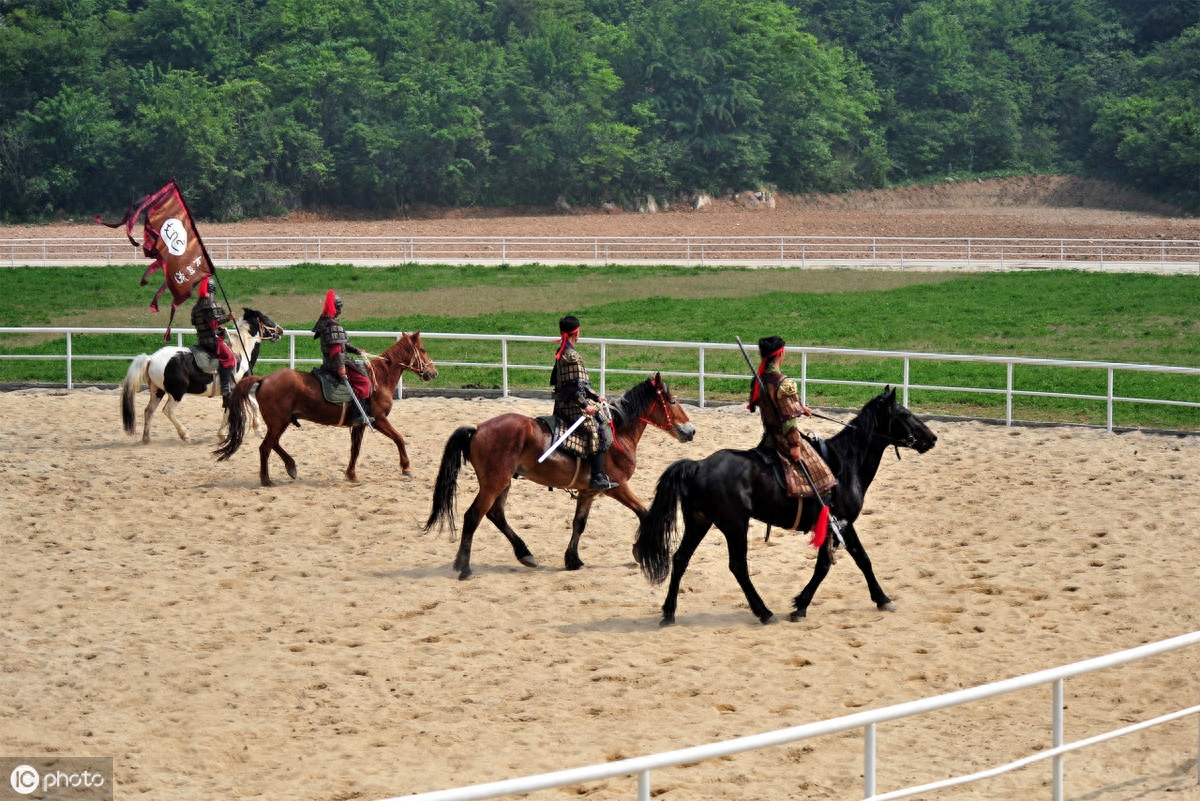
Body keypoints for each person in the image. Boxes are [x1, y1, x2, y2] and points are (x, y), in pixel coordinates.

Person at [747, 335, 837, 498]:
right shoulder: (783, 383)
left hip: (768, 437)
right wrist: (795, 444)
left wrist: (799, 406)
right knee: (822, 473)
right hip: (782, 440)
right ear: (781, 353)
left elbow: (771, 404)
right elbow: (788, 420)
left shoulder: (760, 380)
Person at [550, 315, 618, 490]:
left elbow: (581, 384)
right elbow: (571, 389)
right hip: (569, 406)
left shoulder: (564, 351)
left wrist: (596, 398)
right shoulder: (570, 355)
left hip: (569, 401)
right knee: (597, 429)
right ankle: (597, 477)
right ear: (577, 333)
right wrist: (585, 405)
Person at [313, 290, 373, 425]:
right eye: (340, 308)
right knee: (364, 382)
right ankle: (359, 415)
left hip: (329, 362)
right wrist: (341, 368)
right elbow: (336, 349)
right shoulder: (333, 325)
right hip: (336, 363)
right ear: (337, 308)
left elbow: (342, 343)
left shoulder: (325, 323)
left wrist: (356, 350)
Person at [190, 276, 237, 405]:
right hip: (212, 342)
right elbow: (213, 323)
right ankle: (225, 389)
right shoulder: (209, 305)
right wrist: (229, 317)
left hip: (202, 340)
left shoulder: (196, 307)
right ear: (213, 290)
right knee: (229, 358)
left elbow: (199, 323)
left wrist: (218, 327)